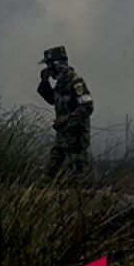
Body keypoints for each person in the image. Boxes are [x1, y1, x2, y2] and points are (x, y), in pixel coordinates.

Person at [36, 45, 93, 177]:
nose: (48, 69)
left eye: (49, 65)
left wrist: (67, 120)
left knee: (77, 173)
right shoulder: (61, 84)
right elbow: (52, 99)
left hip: (76, 136)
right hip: (63, 136)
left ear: (57, 64)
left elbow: (87, 106)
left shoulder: (75, 81)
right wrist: (44, 82)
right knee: (50, 172)